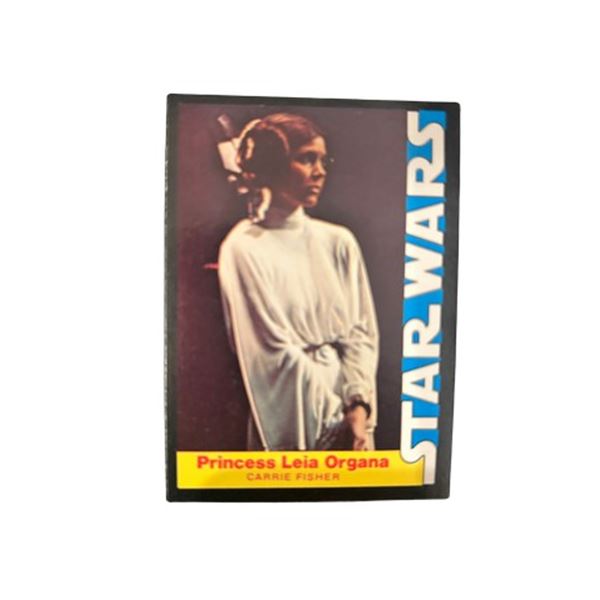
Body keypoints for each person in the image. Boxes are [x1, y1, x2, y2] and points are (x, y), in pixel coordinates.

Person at [218, 113, 379, 451]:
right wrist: (335, 419)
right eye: (306, 159)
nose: (319, 171)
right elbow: (271, 355)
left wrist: (358, 407)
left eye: (322, 160)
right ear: (273, 165)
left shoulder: (338, 241)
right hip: (292, 412)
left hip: (353, 412)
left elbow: (361, 333)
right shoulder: (243, 247)